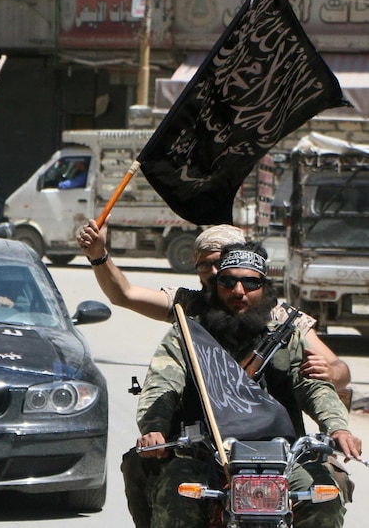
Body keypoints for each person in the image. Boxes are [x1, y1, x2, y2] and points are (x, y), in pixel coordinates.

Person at [76, 220, 351, 528]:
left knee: (325, 497)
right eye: (226, 280)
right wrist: (154, 425)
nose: (238, 292)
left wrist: (338, 427)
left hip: (281, 452)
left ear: (265, 286)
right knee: (174, 494)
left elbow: (317, 385)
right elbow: (163, 380)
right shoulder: (188, 322)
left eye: (250, 283)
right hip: (205, 450)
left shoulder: (287, 329)